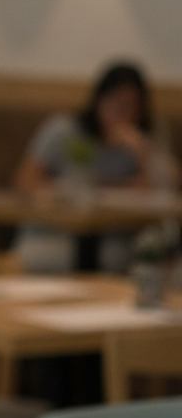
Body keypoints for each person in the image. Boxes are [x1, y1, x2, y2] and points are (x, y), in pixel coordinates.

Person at [13, 62, 178, 272]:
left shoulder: (145, 137)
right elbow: (25, 178)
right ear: (99, 100)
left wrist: (143, 152)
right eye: (115, 103)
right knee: (28, 256)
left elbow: (168, 185)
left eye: (131, 107)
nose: (122, 113)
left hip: (116, 239)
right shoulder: (65, 130)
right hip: (59, 233)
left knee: (137, 256)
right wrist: (56, 192)